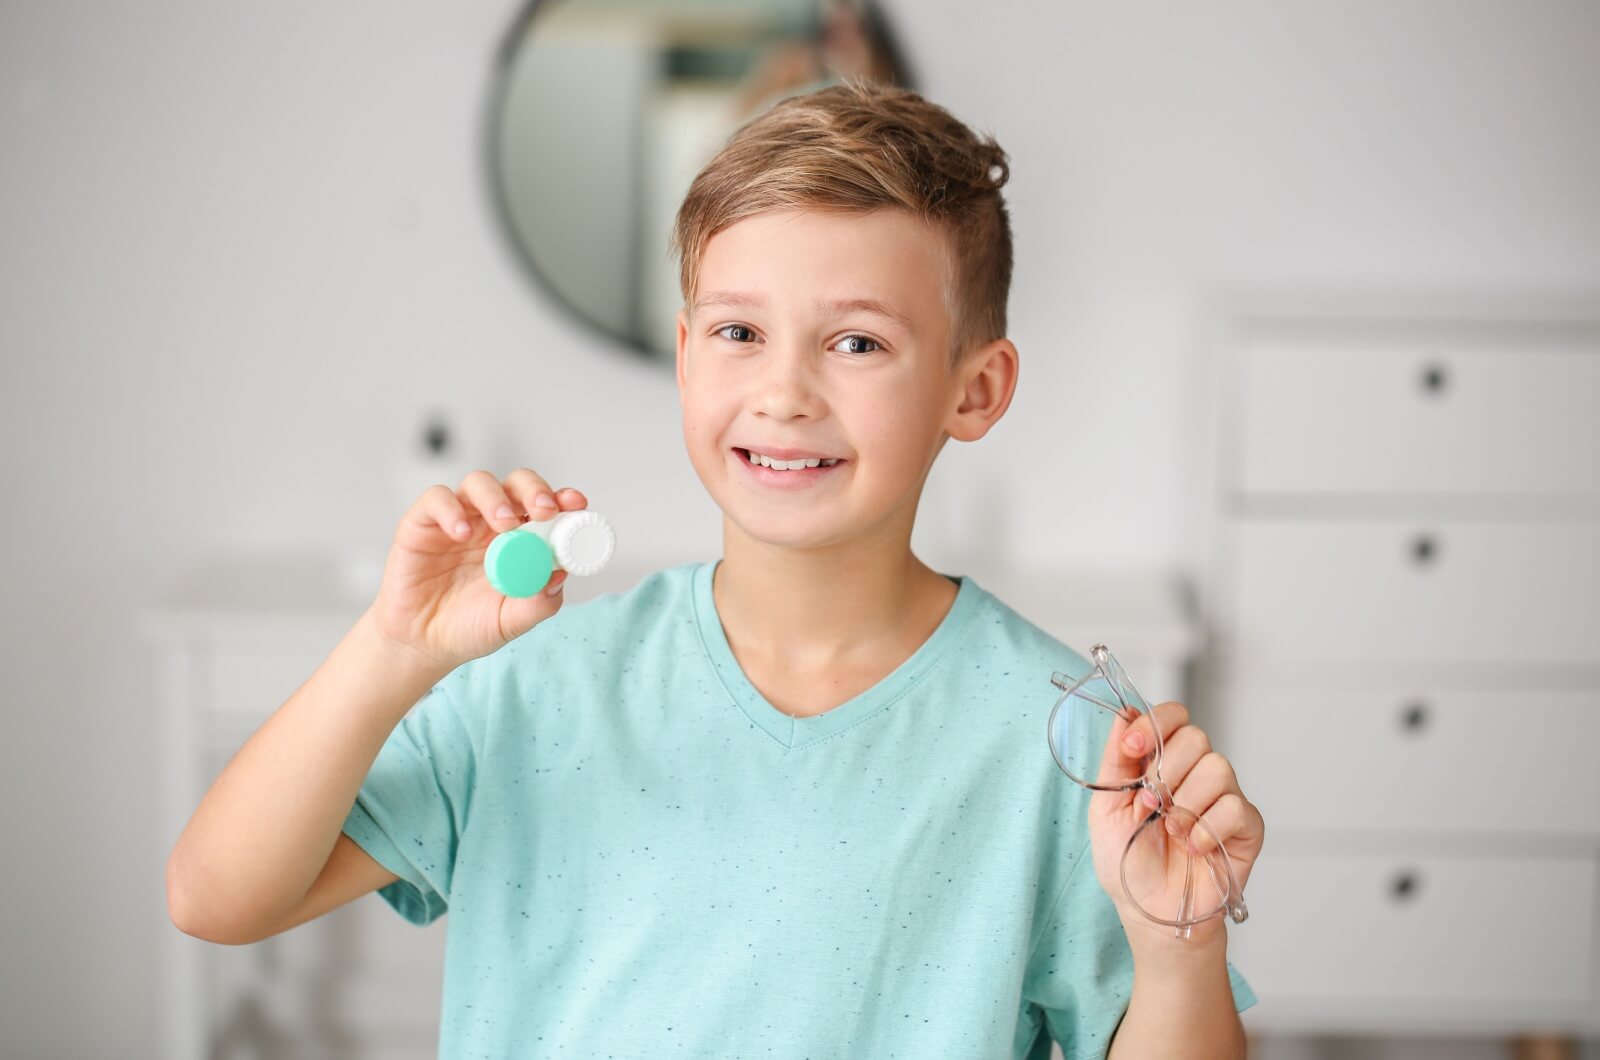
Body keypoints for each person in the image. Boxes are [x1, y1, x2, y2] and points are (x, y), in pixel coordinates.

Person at [167, 77, 1265, 1059]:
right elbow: (215, 897)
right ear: (687, 353)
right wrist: (391, 651)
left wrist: (1180, 947)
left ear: (973, 389)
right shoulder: (542, 685)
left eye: (857, 343)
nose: (784, 391)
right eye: (740, 333)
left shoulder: (1066, 751)